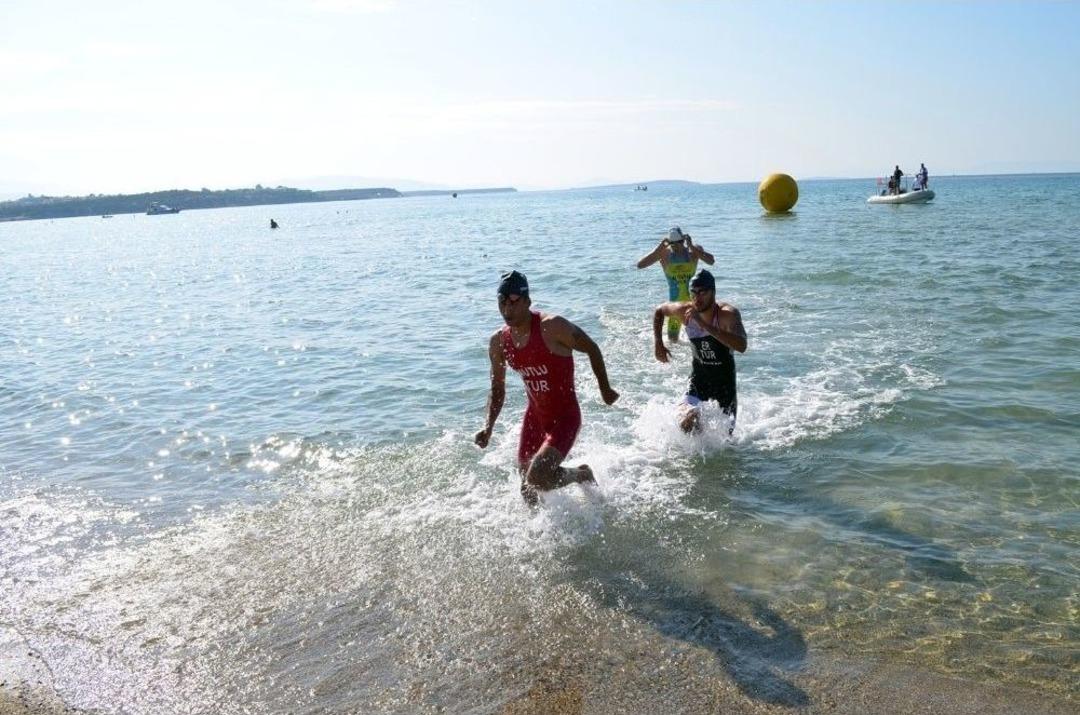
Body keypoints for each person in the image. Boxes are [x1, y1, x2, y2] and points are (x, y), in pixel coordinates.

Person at [475, 271, 620, 504]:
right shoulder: (499, 342)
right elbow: (498, 389)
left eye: (514, 302)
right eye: (502, 302)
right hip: (535, 418)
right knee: (527, 489)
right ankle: (544, 526)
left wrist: (605, 389)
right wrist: (488, 427)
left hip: (565, 418)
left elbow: (591, 348)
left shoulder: (552, 327)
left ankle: (581, 474)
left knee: (537, 478)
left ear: (527, 301)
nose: (507, 309)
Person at [652, 269, 746, 434]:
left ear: (713, 292)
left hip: (725, 386)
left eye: (702, 292)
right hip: (698, 381)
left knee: (725, 441)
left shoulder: (727, 315)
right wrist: (658, 343)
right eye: (694, 293)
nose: (697, 298)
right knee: (688, 420)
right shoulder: (685, 311)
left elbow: (742, 345)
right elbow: (660, 310)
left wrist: (705, 326)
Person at [637, 227, 715, 343]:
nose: (675, 246)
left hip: (694, 304)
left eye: (678, 243)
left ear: (683, 240)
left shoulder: (693, 252)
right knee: (673, 340)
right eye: (672, 244)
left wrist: (692, 246)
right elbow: (640, 265)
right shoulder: (664, 254)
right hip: (675, 306)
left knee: (703, 337)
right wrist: (658, 249)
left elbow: (711, 261)